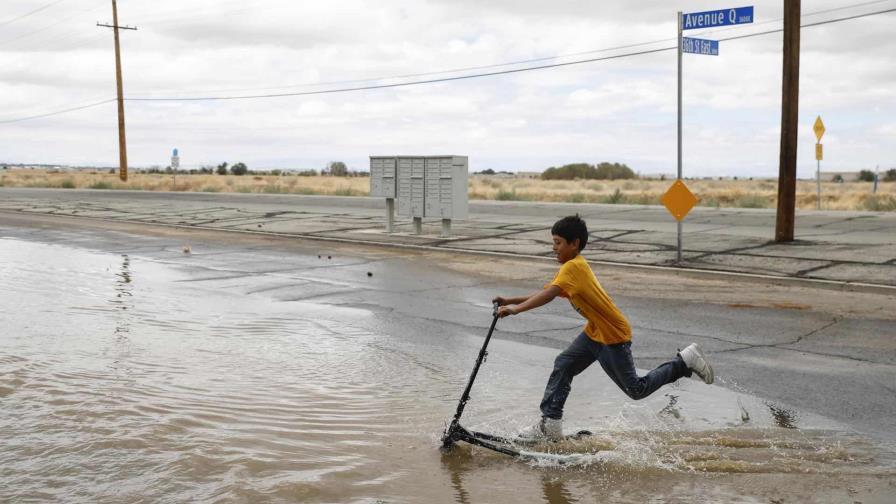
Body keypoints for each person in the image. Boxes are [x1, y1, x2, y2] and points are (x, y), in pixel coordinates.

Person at [493, 214, 713, 441]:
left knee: (636, 390)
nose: (554, 248)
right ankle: (550, 424)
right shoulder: (571, 267)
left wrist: (515, 310)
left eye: (558, 242)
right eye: (554, 242)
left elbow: (548, 295)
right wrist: (510, 301)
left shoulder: (574, 268)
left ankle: (684, 361)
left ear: (574, 243)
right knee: (564, 363)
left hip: (612, 335)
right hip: (595, 333)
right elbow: (546, 292)